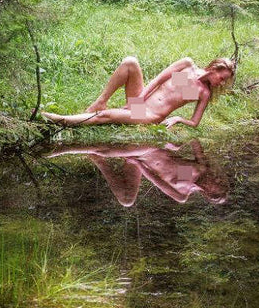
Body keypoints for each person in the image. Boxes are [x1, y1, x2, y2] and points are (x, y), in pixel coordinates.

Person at [41, 56, 235, 128]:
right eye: (222, 78)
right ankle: (101, 100)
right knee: (130, 62)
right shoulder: (188, 66)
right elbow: (160, 80)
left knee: (105, 116)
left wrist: (178, 119)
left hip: (150, 115)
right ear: (214, 69)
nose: (221, 83)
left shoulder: (203, 93)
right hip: (142, 101)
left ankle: (62, 119)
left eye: (224, 81)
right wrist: (139, 99)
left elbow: (194, 122)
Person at [45, 140, 227, 206]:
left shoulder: (183, 194)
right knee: (106, 150)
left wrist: (140, 166)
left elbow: (158, 182)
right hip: (151, 149)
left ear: (209, 193)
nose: (215, 179)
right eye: (218, 180)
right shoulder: (201, 168)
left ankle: (98, 161)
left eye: (216, 185)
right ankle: (63, 148)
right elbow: (194, 140)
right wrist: (178, 144)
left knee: (127, 200)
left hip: (142, 161)